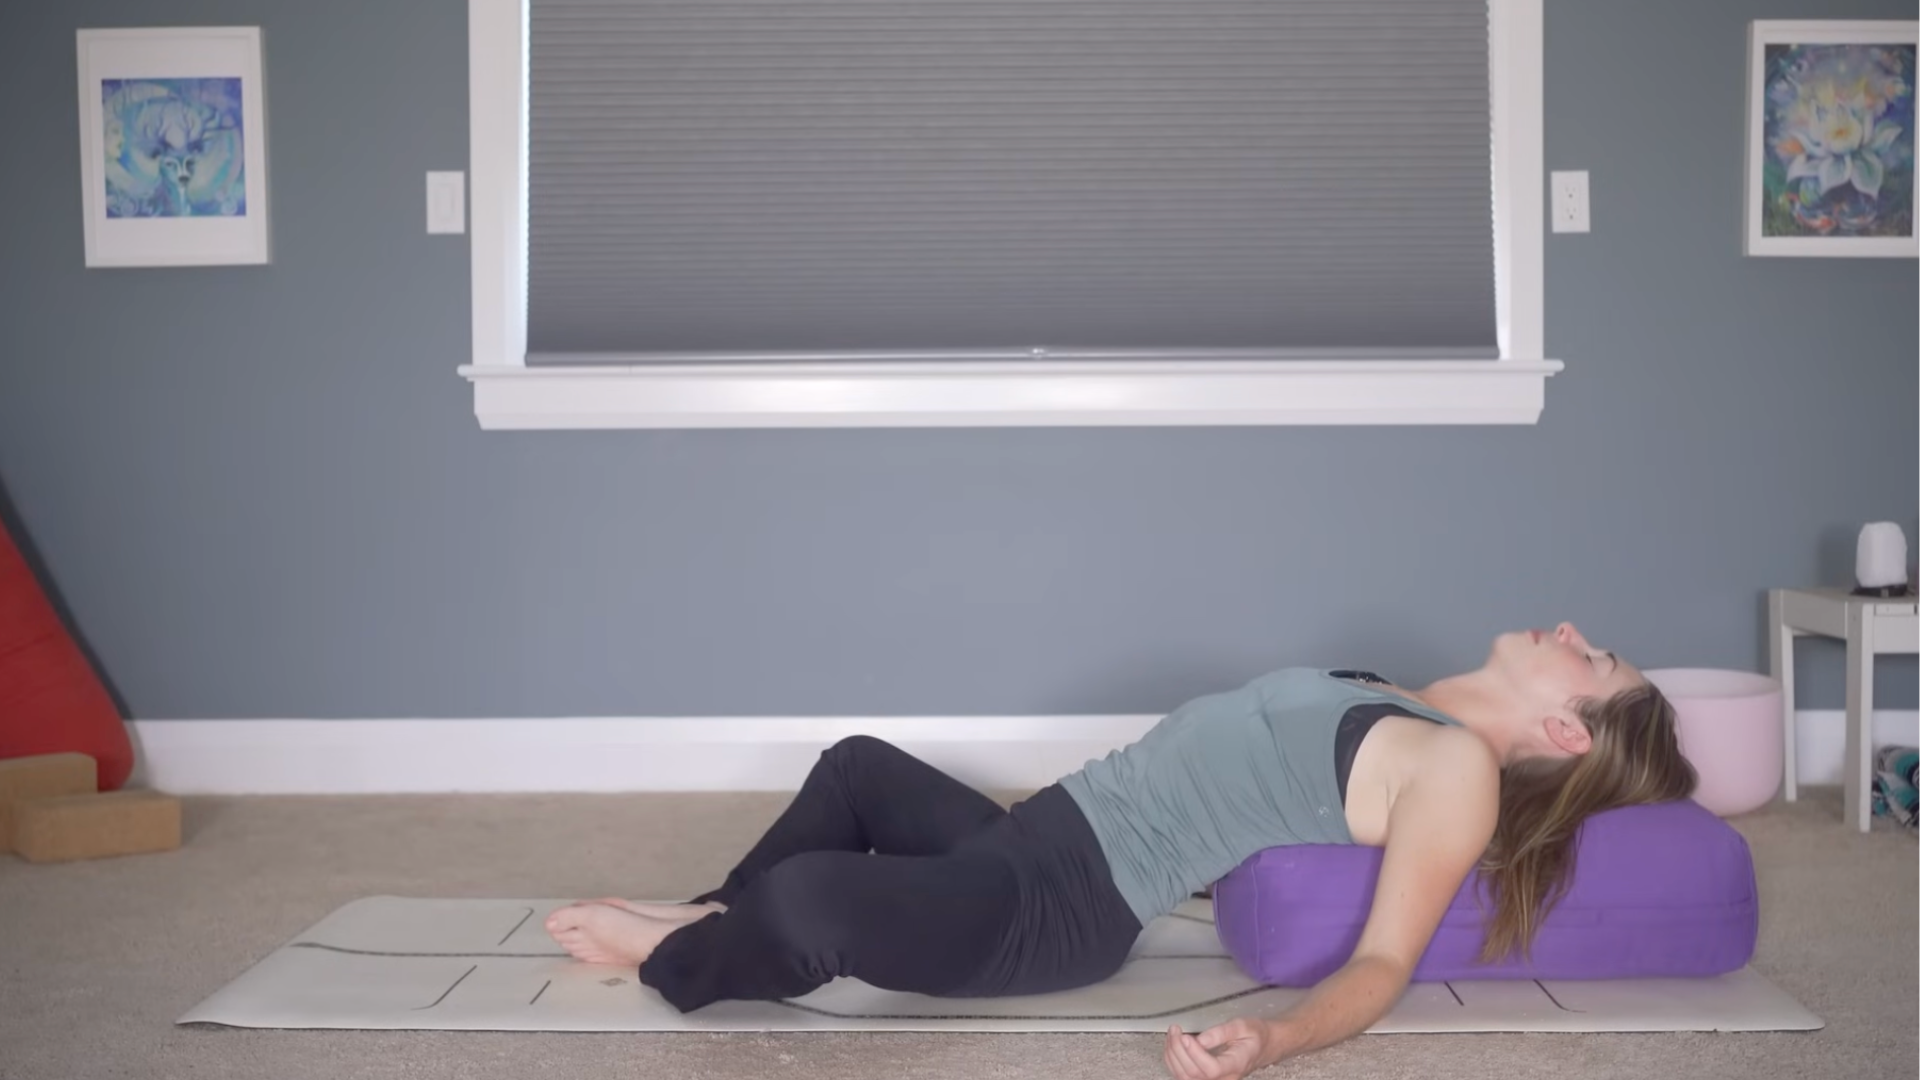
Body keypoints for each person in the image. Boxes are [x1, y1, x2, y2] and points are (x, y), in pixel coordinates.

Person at [545, 622, 1696, 1079]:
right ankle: (711, 912)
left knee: (807, 906)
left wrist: (1276, 1038)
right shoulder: (1391, 691)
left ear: (1565, 732)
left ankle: (678, 961)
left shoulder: (1457, 773)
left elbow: (1387, 962)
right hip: (1037, 835)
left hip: (1060, 911)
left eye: (1593, 662)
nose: (1573, 637)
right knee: (856, 765)